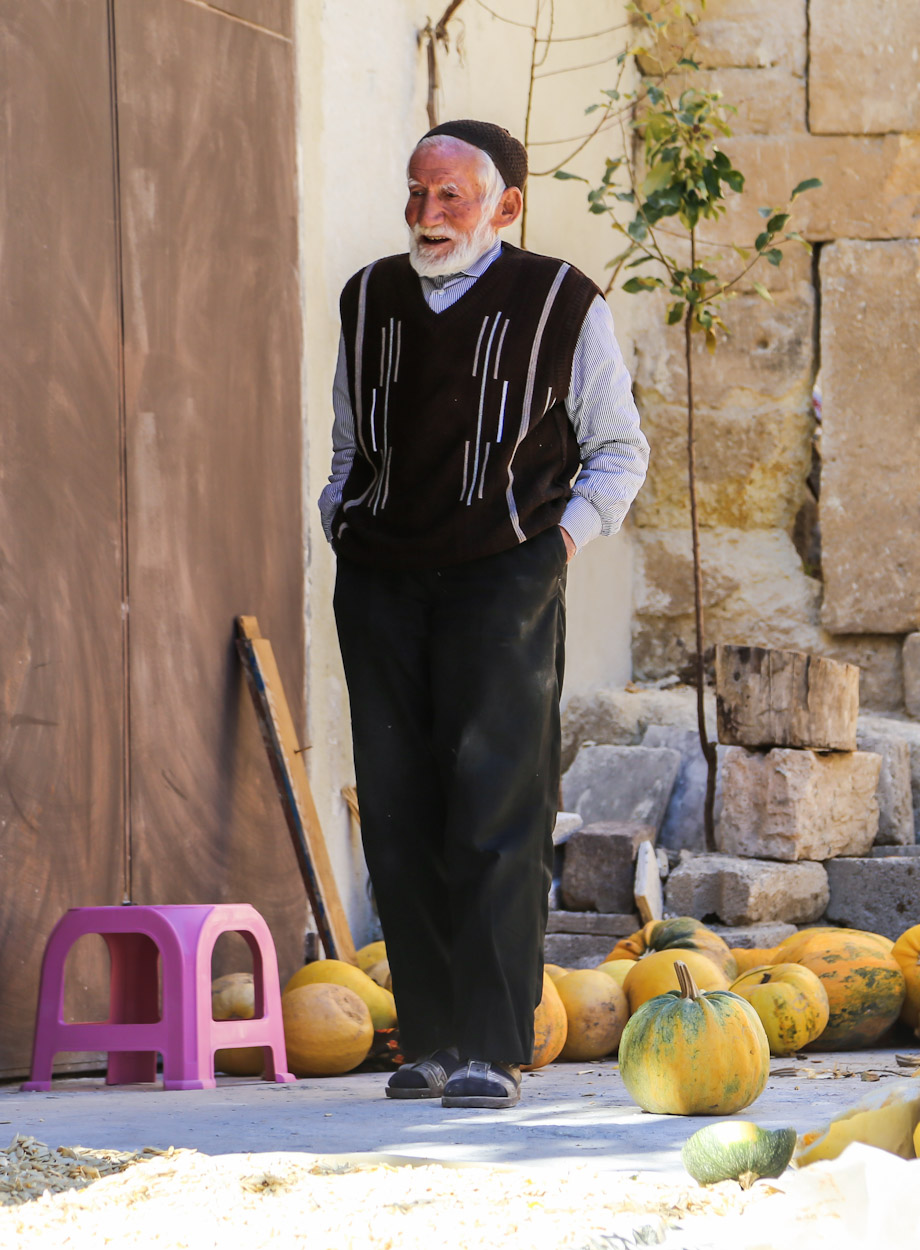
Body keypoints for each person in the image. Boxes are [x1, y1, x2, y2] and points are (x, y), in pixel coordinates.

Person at [319, 119, 648, 1109]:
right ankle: (423, 1037)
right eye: (416, 194)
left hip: (504, 577)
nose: (427, 216)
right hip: (380, 579)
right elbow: (346, 439)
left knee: (498, 808)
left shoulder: (560, 301)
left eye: (450, 197)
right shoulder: (368, 295)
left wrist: (554, 547)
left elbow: (617, 448)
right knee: (398, 802)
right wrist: (341, 522)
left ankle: (492, 1045)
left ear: (504, 207)